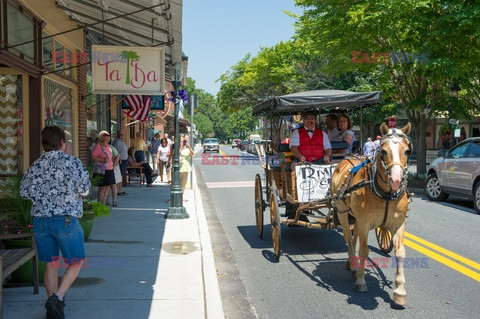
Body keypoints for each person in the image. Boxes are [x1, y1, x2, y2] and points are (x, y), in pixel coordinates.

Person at [19, 125, 90, 319]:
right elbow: (84, 190)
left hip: (41, 221)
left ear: (44, 145)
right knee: (76, 261)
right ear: (62, 143)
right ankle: (57, 299)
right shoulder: (72, 163)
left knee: (51, 264)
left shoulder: (35, 165)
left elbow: (24, 192)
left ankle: (54, 311)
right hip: (65, 219)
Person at [91, 131, 116, 205]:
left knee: (108, 187)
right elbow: (92, 157)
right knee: (102, 188)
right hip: (101, 169)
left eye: (109, 136)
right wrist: (102, 160)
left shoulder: (109, 146)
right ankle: (99, 204)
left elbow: (111, 156)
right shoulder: (98, 146)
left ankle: (103, 203)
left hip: (109, 168)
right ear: (102, 137)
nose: (108, 137)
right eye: (106, 136)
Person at [112, 130, 128, 196]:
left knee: (121, 175)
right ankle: (119, 190)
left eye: (123, 134)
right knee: (119, 176)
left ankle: (120, 189)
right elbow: (115, 152)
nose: (122, 136)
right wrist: (119, 159)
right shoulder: (116, 142)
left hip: (124, 160)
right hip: (120, 160)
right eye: (121, 134)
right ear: (117, 134)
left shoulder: (121, 141)